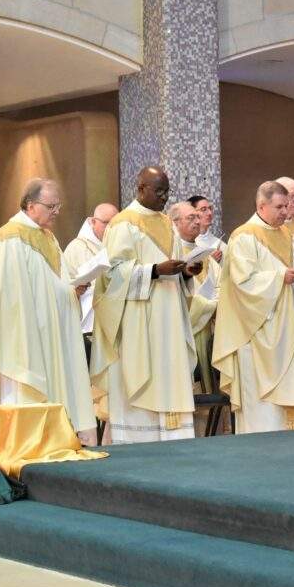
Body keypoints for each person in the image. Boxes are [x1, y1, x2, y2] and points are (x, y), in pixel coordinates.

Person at [0, 178, 96, 440]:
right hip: (23, 341)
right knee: (24, 401)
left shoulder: (47, 237)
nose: (56, 212)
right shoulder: (10, 238)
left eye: (58, 206)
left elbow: (54, 284)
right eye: (51, 206)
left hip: (51, 336)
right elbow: (9, 299)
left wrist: (72, 291)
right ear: (30, 205)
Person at [90, 168, 202, 443]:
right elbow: (112, 274)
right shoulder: (123, 223)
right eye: (159, 191)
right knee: (142, 375)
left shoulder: (166, 223)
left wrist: (185, 271)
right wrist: (153, 270)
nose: (164, 197)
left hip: (170, 317)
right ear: (141, 188)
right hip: (139, 321)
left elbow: (173, 261)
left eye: (166, 191)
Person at [212, 181, 294, 433]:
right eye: (279, 207)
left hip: (292, 330)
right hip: (260, 334)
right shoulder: (243, 236)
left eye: (287, 206)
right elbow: (242, 285)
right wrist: (279, 278)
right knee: (264, 410)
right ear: (261, 205)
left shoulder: (288, 234)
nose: (285, 212)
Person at [169, 201, 222, 395]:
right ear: (175, 222)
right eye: (192, 217)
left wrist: (216, 303)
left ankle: (212, 424)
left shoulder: (204, 254)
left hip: (207, 330)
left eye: (198, 217)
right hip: (184, 330)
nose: (198, 221)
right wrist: (208, 305)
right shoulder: (171, 253)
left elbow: (220, 285)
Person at [62, 202, 119, 334]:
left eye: (115, 224)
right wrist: (76, 290)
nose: (112, 228)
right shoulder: (76, 248)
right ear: (93, 222)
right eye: (107, 223)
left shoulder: (118, 244)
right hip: (88, 321)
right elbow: (64, 287)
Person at [188, 195, 225, 262]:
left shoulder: (220, 244)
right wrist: (208, 262)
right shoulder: (185, 243)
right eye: (203, 209)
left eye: (210, 208)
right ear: (192, 213)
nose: (210, 213)